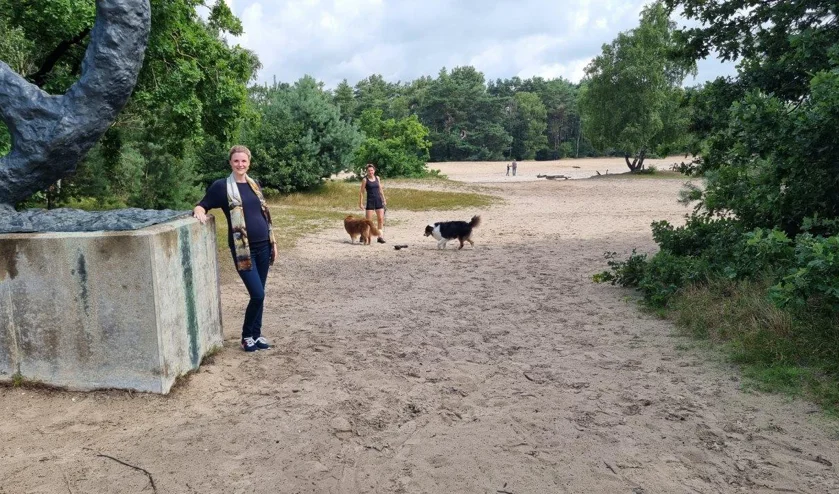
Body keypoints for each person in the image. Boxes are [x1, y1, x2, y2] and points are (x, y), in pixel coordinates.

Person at [192, 145, 278, 353]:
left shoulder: (254, 184)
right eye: (236, 161)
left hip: (264, 246)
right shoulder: (222, 187)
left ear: (249, 162)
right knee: (257, 294)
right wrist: (199, 211)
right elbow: (202, 204)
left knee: (261, 293)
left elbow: (264, 216)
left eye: (244, 161)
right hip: (242, 250)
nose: (240, 164)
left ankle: (256, 336)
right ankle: (246, 336)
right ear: (230, 163)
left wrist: (273, 242)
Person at [358, 163, 387, 243]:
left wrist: (384, 199)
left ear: (374, 170)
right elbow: (361, 192)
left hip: (378, 200)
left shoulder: (377, 178)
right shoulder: (365, 180)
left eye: (372, 170)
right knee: (368, 221)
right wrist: (360, 203)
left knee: (380, 219)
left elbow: (380, 190)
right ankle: (363, 235)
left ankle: (380, 237)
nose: (370, 172)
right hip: (370, 201)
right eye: (369, 171)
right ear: (367, 171)